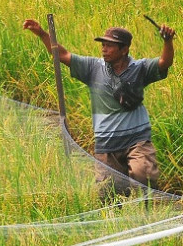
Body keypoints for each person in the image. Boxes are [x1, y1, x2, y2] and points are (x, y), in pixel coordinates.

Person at [23, 19, 175, 194]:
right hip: (106, 144)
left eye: (109, 46)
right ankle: (120, 219)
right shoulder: (93, 68)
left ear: (124, 49)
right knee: (107, 193)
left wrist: (167, 41)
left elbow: (165, 62)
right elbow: (62, 55)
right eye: (103, 45)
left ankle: (146, 213)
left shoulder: (139, 68)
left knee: (144, 176)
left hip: (136, 140)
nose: (104, 49)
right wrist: (42, 34)